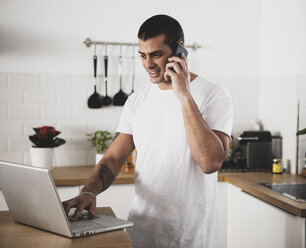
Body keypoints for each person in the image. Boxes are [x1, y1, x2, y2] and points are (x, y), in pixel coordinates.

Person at [62, 14, 233, 247]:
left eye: (156, 55)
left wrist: (183, 94)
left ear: (179, 51)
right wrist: (89, 191)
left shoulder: (213, 94)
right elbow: (113, 157)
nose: (148, 64)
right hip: (140, 234)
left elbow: (210, 162)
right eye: (143, 55)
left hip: (191, 238)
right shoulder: (136, 100)